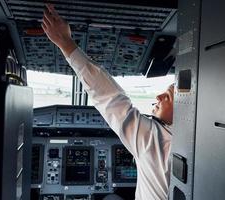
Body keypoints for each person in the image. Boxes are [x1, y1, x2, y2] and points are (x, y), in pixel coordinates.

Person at [42, 4, 174, 200]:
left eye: (169, 96)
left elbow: (110, 97)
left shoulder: (159, 140)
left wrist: (65, 42)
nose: (158, 97)